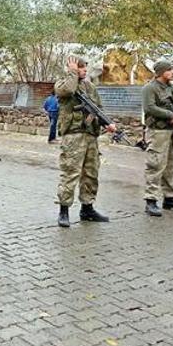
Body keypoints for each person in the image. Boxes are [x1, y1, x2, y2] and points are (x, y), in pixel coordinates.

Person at [54, 56, 115, 227]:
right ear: (72, 68)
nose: (84, 71)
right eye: (80, 67)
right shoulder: (62, 83)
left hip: (90, 135)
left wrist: (107, 123)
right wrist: (72, 72)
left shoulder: (90, 87)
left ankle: (87, 208)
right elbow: (67, 91)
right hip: (73, 136)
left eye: (84, 68)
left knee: (91, 173)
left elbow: (99, 108)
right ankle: (64, 211)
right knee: (70, 173)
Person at [142, 60, 173, 216]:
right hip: (158, 132)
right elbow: (149, 107)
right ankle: (151, 200)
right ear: (161, 72)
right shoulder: (150, 88)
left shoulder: (172, 88)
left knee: (170, 165)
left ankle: (169, 198)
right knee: (155, 165)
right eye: (170, 70)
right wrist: (169, 115)